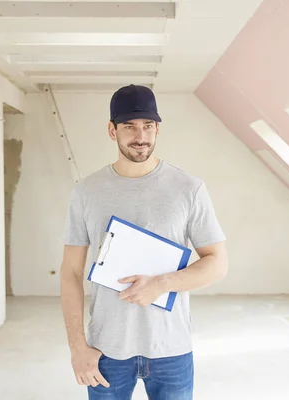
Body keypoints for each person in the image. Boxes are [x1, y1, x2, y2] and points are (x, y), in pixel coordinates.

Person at [60, 84, 228, 400]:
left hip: (171, 349)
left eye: (148, 125)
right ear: (112, 131)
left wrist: (163, 283)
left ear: (157, 129)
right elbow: (70, 272)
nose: (141, 135)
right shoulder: (87, 192)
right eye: (129, 126)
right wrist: (77, 347)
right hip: (105, 350)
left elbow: (217, 262)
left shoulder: (188, 188)